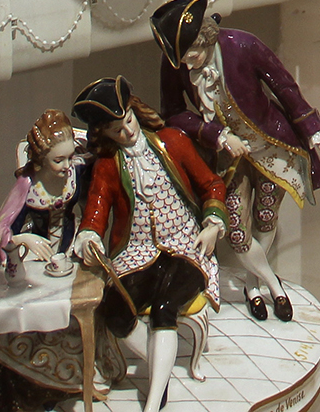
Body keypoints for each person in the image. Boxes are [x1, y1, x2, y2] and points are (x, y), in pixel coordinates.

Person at [152, 0, 320, 322]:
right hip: (228, 160)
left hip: (271, 147)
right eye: (180, 57)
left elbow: (285, 87)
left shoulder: (243, 45)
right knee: (238, 232)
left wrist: (318, 134)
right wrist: (216, 135)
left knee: (265, 219)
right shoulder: (176, 64)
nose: (186, 63)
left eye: (191, 53)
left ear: (203, 38)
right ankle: (274, 285)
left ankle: (252, 286)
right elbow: (173, 113)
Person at [69, 76, 227, 412]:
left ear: (135, 112)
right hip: (137, 253)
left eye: (128, 121)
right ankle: (161, 373)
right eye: (117, 130)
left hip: (185, 246)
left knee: (164, 308)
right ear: (105, 134)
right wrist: (89, 237)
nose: (128, 132)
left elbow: (211, 183)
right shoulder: (108, 166)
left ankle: (153, 403)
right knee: (114, 310)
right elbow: (96, 211)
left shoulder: (173, 141)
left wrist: (213, 223)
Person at [0, 108, 85, 271]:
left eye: (70, 157)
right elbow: (3, 231)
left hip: (71, 247)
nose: (66, 166)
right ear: (42, 159)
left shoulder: (75, 171)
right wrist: (24, 240)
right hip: (38, 255)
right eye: (58, 160)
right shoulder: (28, 186)